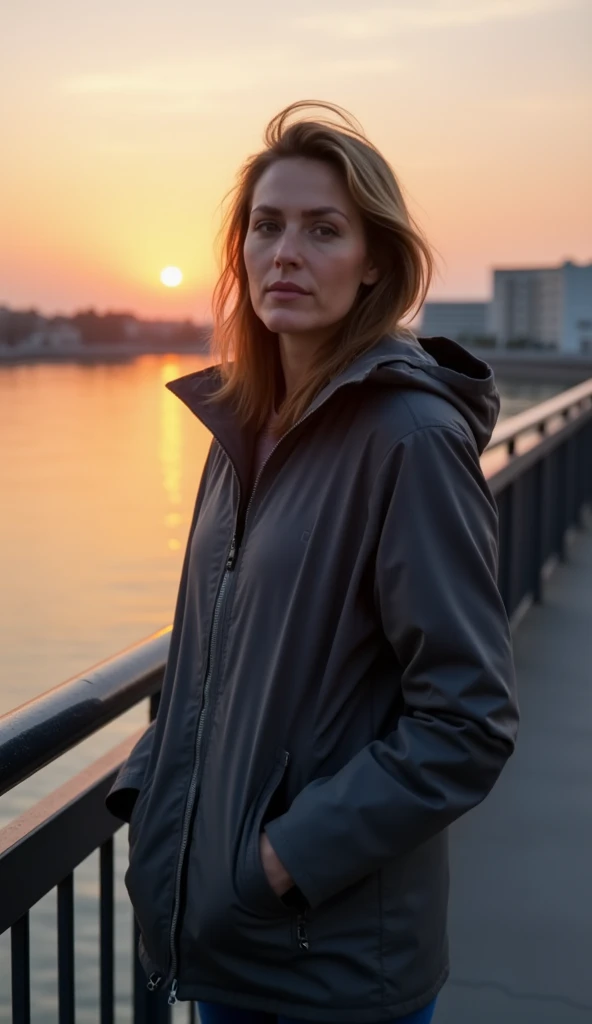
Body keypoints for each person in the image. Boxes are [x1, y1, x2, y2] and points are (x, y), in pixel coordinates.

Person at [106, 100, 519, 1024]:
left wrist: (282, 861)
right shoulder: (241, 432)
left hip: (328, 963)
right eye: (267, 225)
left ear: (374, 262)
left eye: (323, 229)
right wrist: (157, 785)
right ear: (241, 252)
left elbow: (469, 719)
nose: (285, 251)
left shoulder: (410, 440)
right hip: (228, 946)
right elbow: (213, 658)